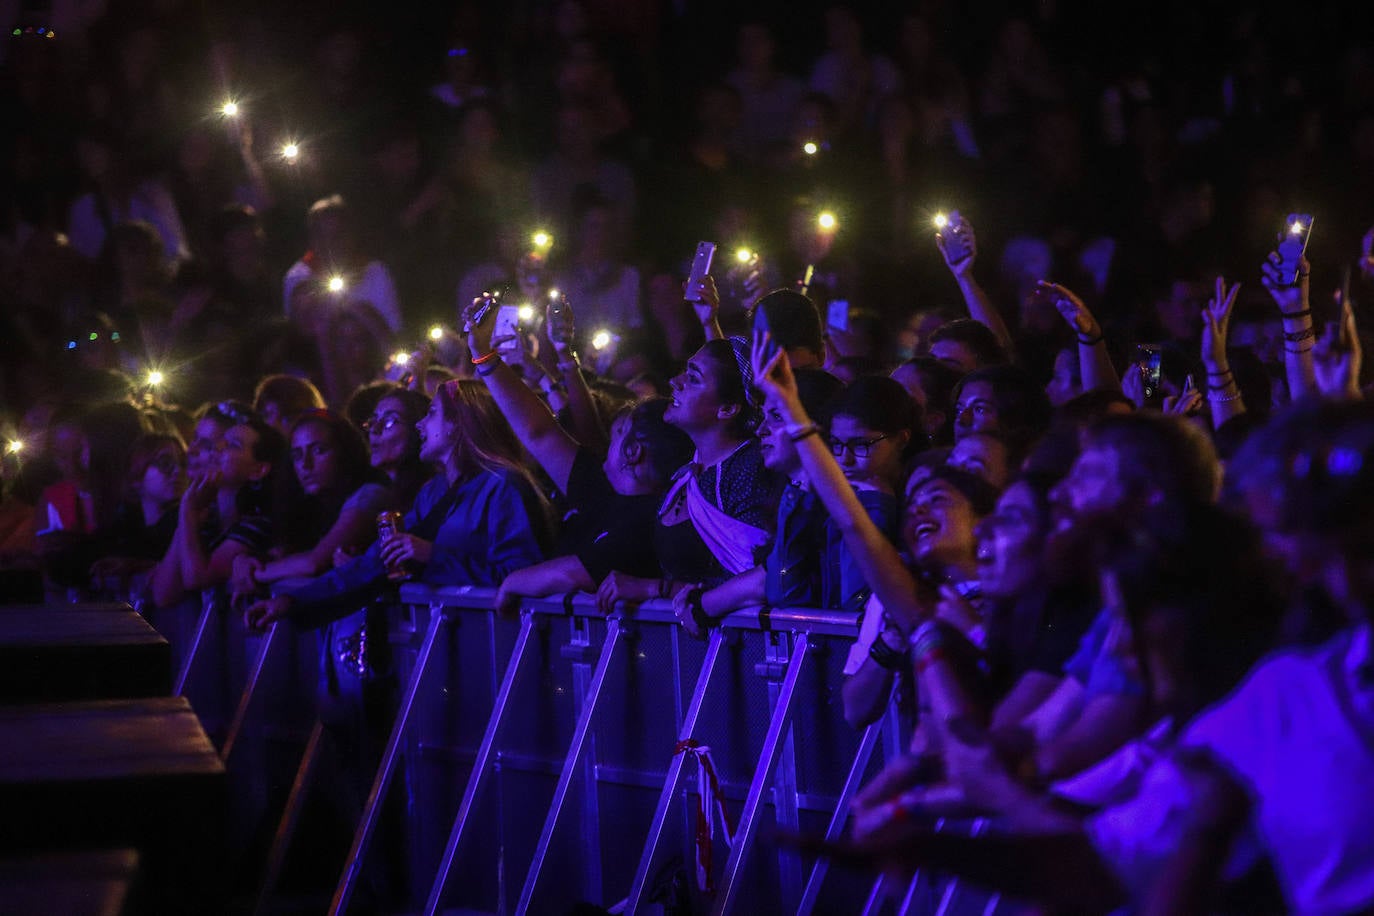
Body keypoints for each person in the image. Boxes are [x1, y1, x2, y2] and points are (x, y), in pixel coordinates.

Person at [244, 380, 549, 630]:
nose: (420, 426)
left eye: (431, 414)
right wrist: (291, 601)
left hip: (498, 645)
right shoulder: (433, 492)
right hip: (446, 642)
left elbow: (522, 575)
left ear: (459, 424)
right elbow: (376, 561)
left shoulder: (503, 486)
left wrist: (433, 556)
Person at [458, 294, 692, 612]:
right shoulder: (603, 486)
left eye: (618, 430)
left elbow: (572, 572)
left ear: (633, 451)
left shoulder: (645, 522)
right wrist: (483, 354)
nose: (608, 436)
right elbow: (538, 432)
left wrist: (514, 582)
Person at [598, 336, 785, 613]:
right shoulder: (687, 474)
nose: (675, 381)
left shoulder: (749, 470)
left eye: (694, 378)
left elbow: (756, 582)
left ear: (728, 409)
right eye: (686, 370)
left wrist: (654, 588)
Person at [230, 409, 390, 596]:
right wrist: (243, 560)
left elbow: (314, 562)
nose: (305, 465)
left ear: (345, 453)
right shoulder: (310, 505)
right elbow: (282, 553)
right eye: (297, 455)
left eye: (318, 450)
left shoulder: (369, 494)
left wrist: (255, 573)